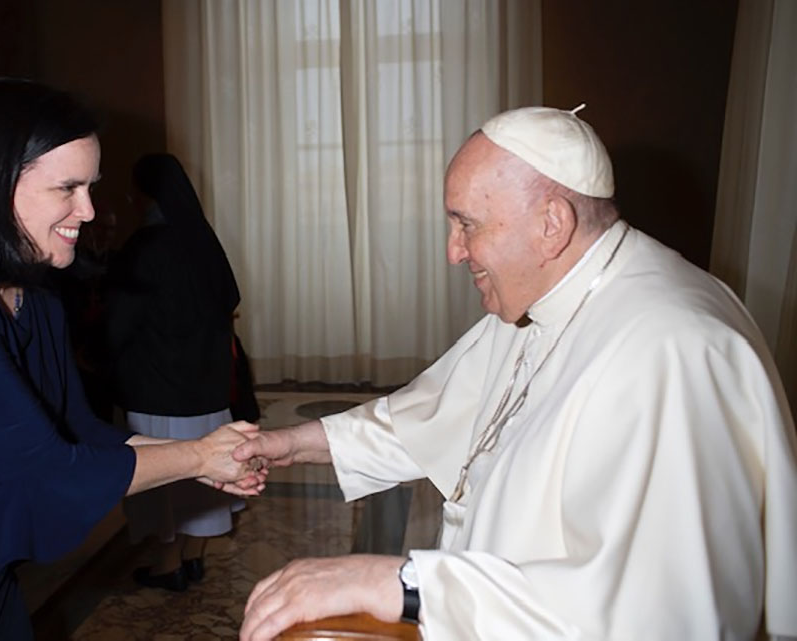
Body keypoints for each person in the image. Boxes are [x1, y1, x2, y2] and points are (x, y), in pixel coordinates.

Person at [234, 105, 797, 640]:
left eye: (467, 224)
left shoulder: (673, 351)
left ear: (552, 223)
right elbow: (435, 413)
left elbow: (653, 610)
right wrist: (289, 444)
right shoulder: (551, 293)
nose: (454, 252)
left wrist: (401, 583)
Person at [0, 77, 264, 641]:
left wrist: (219, 453)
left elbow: (77, 430)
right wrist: (198, 458)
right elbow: (47, 471)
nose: (88, 210)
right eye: (68, 188)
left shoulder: (31, 291)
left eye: (92, 186)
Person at [104, 153, 245, 591]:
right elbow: (231, 296)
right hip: (205, 383)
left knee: (163, 480)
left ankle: (168, 565)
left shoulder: (144, 247)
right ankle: (193, 557)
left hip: (157, 386)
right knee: (204, 475)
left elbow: (118, 322)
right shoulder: (201, 239)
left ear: (141, 194)